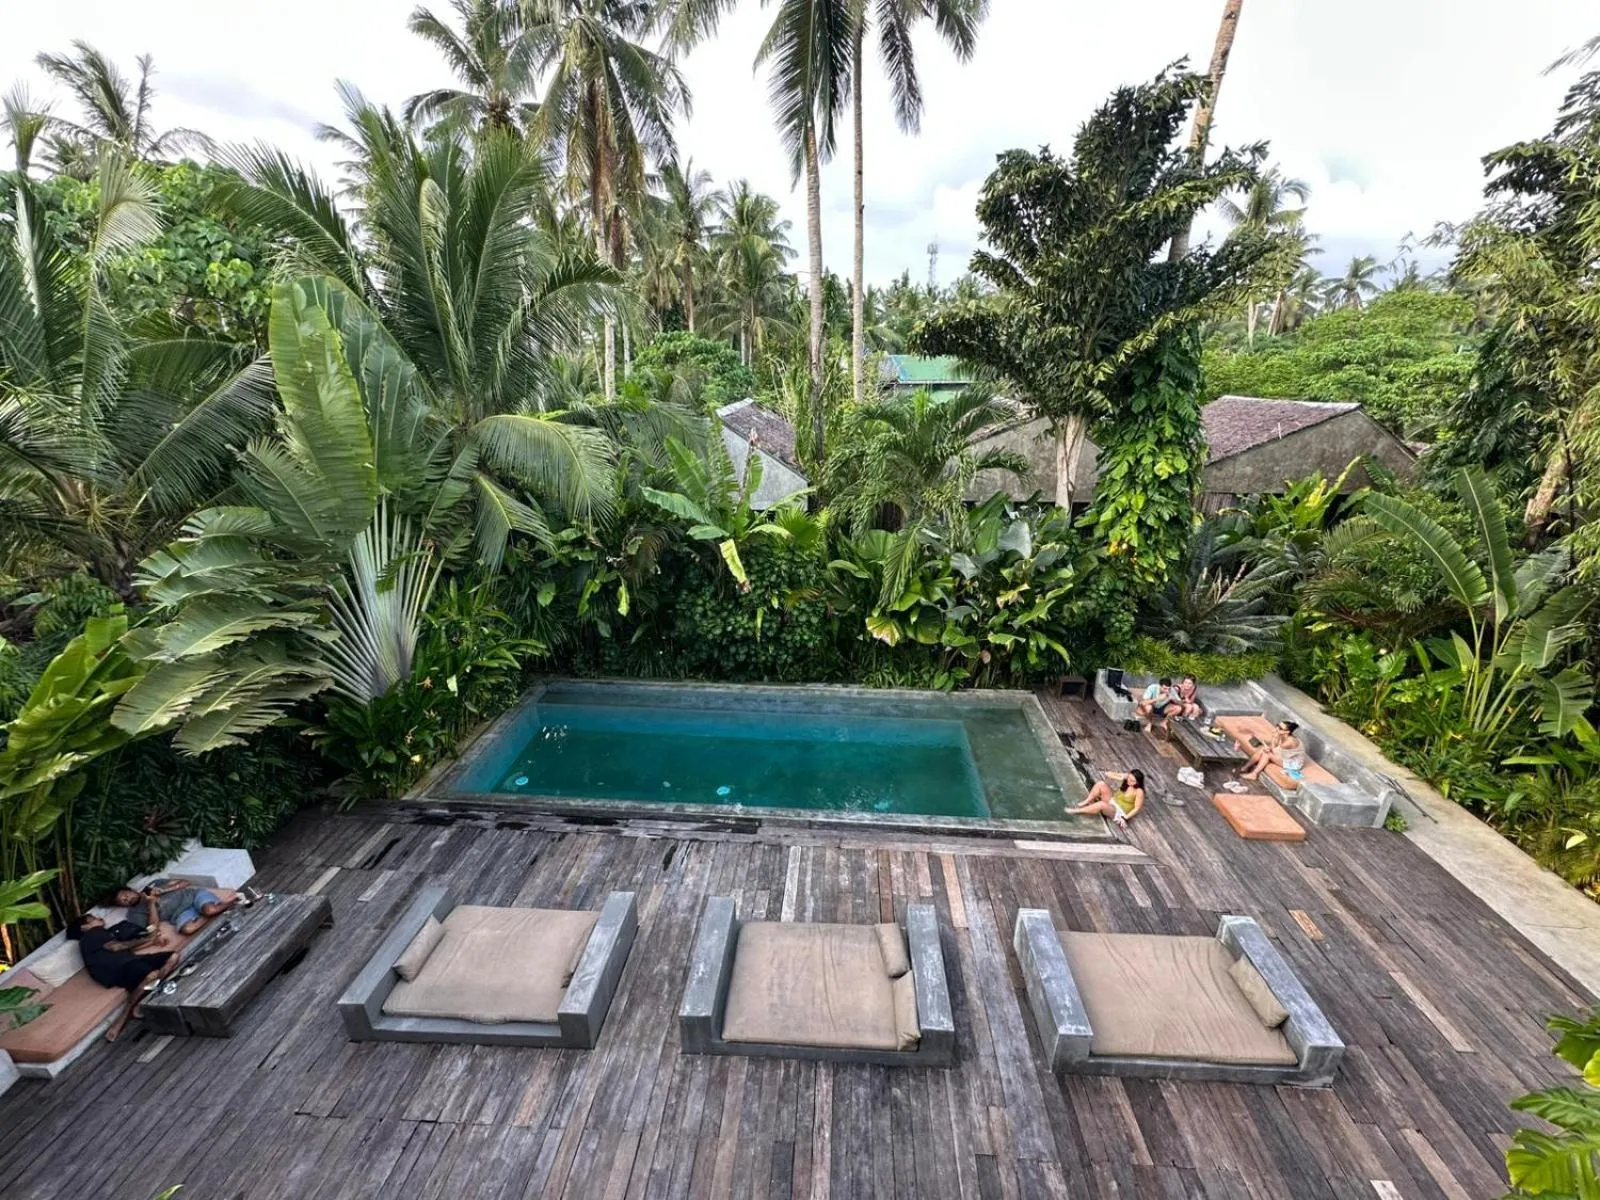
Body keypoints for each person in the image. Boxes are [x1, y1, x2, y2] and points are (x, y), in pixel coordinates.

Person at [66, 913, 179, 1042]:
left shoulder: (102, 935)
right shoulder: (92, 934)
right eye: (92, 919)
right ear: (84, 927)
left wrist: (152, 941)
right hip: (116, 968)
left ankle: (151, 992)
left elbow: (125, 947)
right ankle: (126, 1015)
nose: (99, 918)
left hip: (130, 961)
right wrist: (148, 939)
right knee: (150, 975)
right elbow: (116, 947)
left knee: (173, 956)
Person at [112, 878, 241, 938]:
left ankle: (235, 901)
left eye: (125, 895)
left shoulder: (153, 885)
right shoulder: (134, 913)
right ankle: (212, 911)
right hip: (180, 915)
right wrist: (151, 903)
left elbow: (185, 882)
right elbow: (153, 928)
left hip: (193, 897)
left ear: (130, 890)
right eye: (124, 901)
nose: (127, 899)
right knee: (188, 929)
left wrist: (164, 889)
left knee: (210, 910)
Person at [1067, 769, 1146, 827]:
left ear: (1138, 782)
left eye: (1132, 781)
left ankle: (1077, 811)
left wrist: (1125, 818)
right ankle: (1087, 800)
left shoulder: (1139, 791)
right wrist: (1120, 777)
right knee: (1101, 784)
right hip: (1112, 801)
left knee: (1101, 804)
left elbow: (1137, 808)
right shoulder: (1127, 779)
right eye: (1129, 778)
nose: (1129, 781)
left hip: (1118, 811)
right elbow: (1107, 773)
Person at [1239, 720, 1305, 782]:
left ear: (1287, 732)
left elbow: (1274, 751)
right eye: (1277, 726)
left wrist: (1274, 737)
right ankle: (1245, 768)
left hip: (1292, 763)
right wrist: (1270, 744)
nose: (1277, 729)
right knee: (1262, 749)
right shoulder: (1283, 735)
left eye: (1280, 728)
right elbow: (1275, 746)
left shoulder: (1289, 742)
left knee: (1267, 754)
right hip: (1285, 756)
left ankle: (1254, 774)